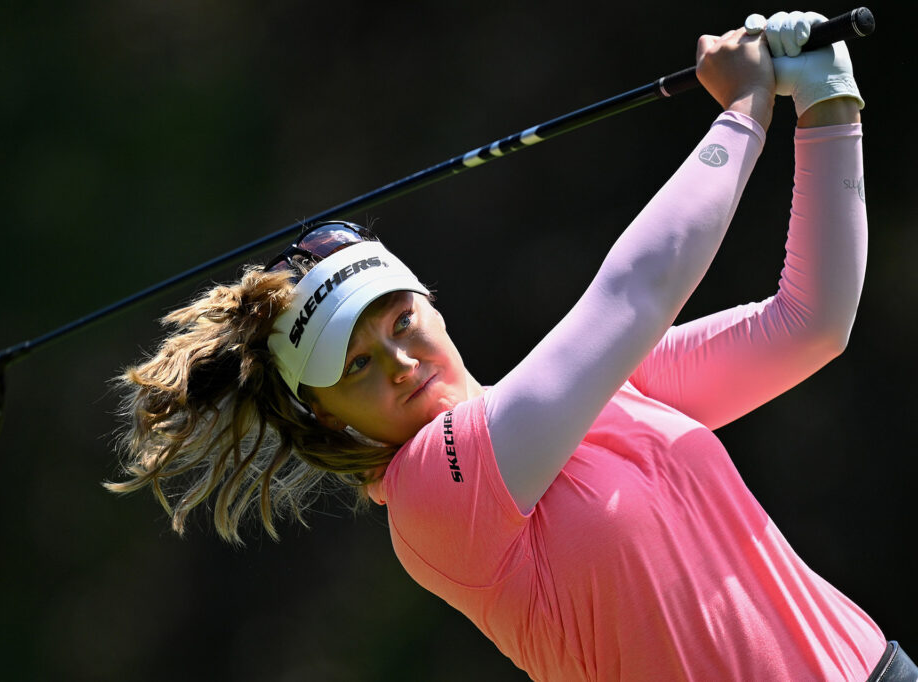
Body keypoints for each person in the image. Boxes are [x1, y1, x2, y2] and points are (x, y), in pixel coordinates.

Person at [108, 11, 915, 682]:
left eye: (398, 321)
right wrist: (741, 114)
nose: (399, 362)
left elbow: (810, 324)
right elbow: (633, 295)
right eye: (355, 366)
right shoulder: (431, 501)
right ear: (329, 423)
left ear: (431, 306)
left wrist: (828, 106)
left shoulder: (608, 391)